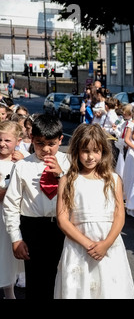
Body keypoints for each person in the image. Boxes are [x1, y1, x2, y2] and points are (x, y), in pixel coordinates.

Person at [53, 123, 134, 299]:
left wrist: (105, 244)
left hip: (109, 245)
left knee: (110, 290)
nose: (90, 156)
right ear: (76, 151)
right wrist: (88, 244)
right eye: (85, 151)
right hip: (78, 247)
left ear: (103, 152)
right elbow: (62, 219)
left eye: (96, 151)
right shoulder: (67, 180)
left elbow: (119, 215)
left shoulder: (113, 179)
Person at [3, 114, 70, 299]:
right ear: (31, 139)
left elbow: (78, 196)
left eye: (51, 143)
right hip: (33, 227)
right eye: (40, 143)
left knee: (64, 279)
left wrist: (62, 175)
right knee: (37, 280)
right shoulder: (23, 166)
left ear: (60, 140)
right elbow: (11, 204)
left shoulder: (69, 163)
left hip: (64, 226)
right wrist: (16, 238)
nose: (46, 149)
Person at [0, 121, 26, 299]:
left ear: (18, 141)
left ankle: (9, 292)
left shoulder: (21, 162)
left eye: (7, 140)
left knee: (7, 255)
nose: (2, 144)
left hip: (9, 216)